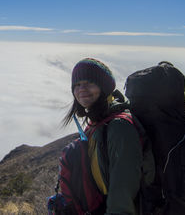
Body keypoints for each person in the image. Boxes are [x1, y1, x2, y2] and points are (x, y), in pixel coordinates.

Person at [62, 58, 144, 215]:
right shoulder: (96, 124)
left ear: (104, 88)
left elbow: (122, 196)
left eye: (89, 83)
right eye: (77, 85)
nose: (82, 89)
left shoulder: (119, 127)